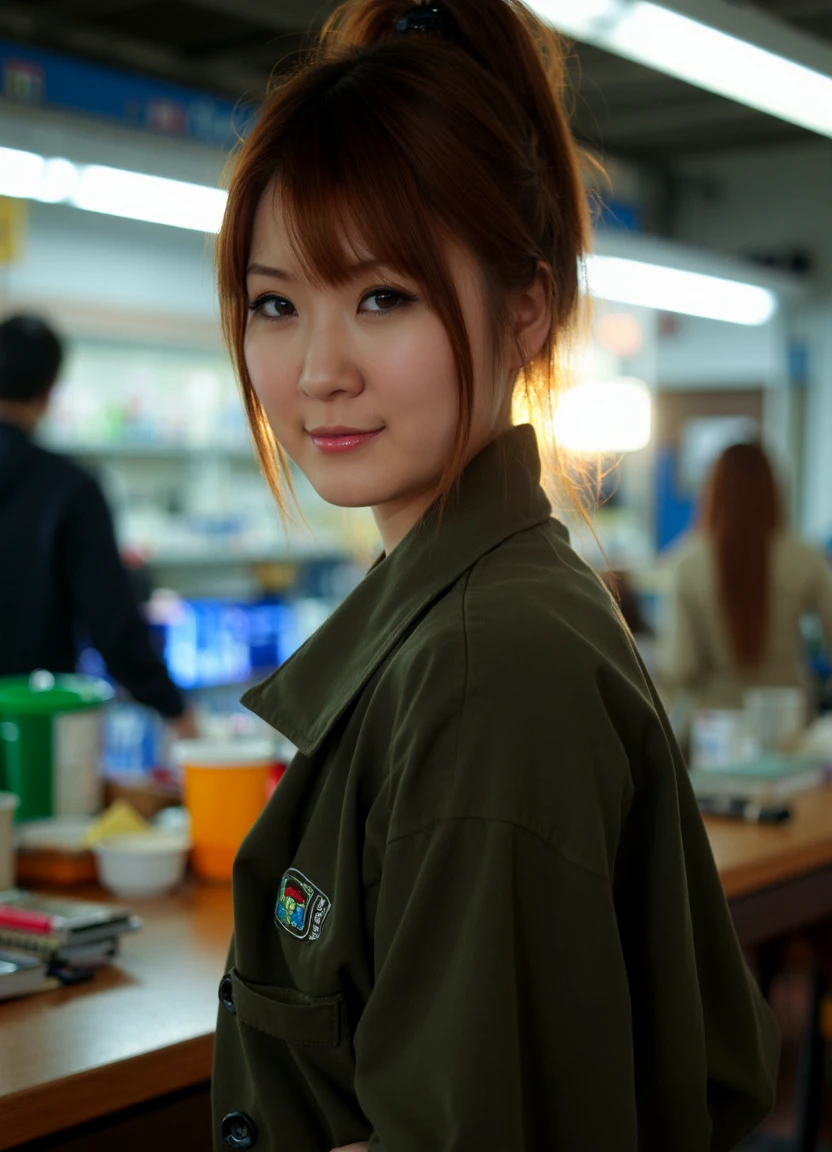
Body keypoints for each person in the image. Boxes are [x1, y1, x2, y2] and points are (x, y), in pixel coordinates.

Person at [211, 3, 779, 1151]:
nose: (317, 370)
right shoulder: (469, 621)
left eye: (383, 296)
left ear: (526, 306)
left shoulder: (486, 674)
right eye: (276, 303)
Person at [0, 313, 195, 735]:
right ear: (49, 389)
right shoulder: (69, 488)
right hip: (36, 726)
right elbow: (114, 625)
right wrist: (174, 708)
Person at [658, 440, 832, 716]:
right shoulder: (806, 558)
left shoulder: (687, 563)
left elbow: (680, 665)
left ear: (713, 491)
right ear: (773, 490)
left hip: (717, 724)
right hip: (790, 719)